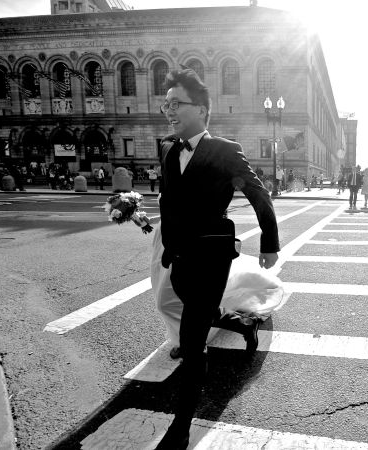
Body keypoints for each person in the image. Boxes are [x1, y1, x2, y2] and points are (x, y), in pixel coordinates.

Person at [156, 68, 280, 448]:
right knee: (198, 313)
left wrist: (269, 242)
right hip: (177, 259)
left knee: (193, 342)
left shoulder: (225, 150)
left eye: (176, 104)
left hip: (211, 258)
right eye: (166, 105)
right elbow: (169, 202)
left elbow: (258, 193)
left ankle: (182, 426)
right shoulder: (166, 148)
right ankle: (244, 326)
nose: (169, 111)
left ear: (203, 110)